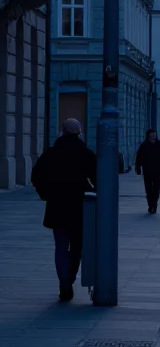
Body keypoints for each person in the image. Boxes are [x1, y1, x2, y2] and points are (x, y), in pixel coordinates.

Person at [30, 119, 96, 302]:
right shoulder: (85, 153)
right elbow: (99, 177)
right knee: (76, 247)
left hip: (57, 205)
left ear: (62, 132)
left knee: (60, 246)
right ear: (79, 133)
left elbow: (36, 176)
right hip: (79, 207)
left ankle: (64, 284)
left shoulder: (51, 153)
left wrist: (46, 194)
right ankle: (70, 279)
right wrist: (92, 192)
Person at [135, 128, 160, 214]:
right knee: (148, 189)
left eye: (154, 134)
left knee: (156, 189)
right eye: (152, 134)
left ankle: (154, 203)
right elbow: (138, 157)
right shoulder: (144, 145)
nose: (153, 135)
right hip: (147, 170)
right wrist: (138, 168)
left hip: (158, 170)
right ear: (148, 135)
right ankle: (150, 205)